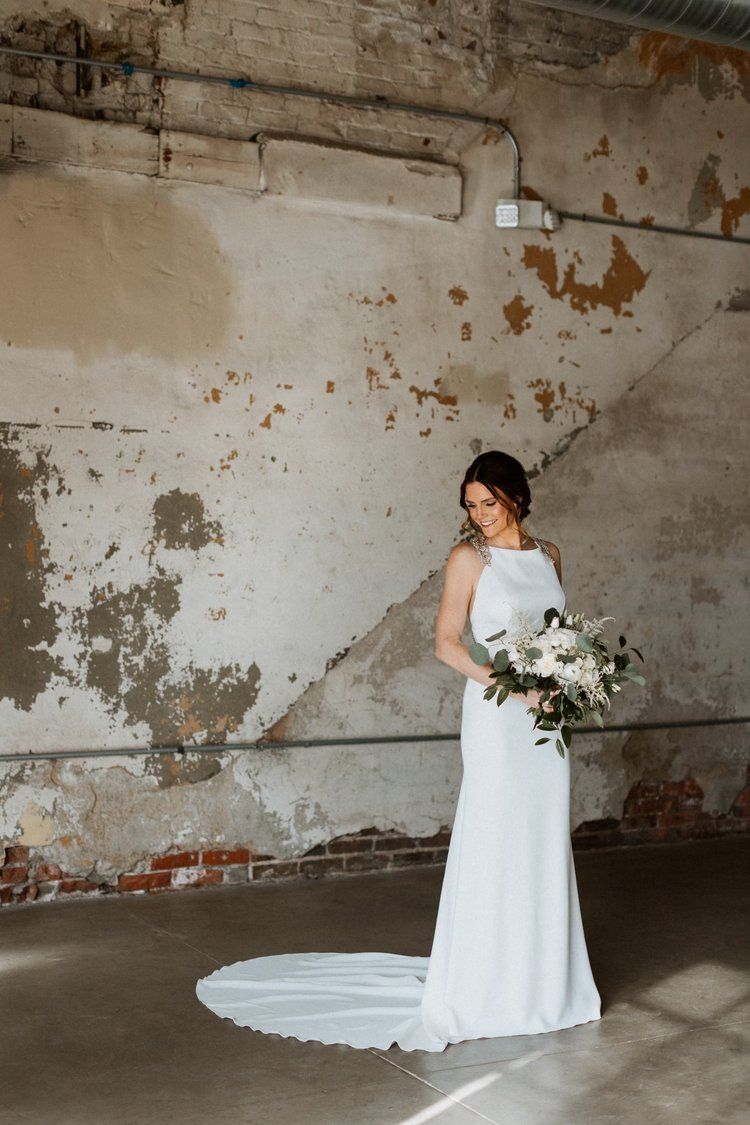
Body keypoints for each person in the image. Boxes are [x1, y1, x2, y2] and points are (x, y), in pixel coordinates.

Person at [195, 450, 602, 1051]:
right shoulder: (469, 558)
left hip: (547, 726)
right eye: (470, 504)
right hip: (499, 718)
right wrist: (518, 689)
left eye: (490, 502)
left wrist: (566, 679)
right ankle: (484, 988)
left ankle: (544, 984)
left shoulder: (550, 556)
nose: (480, 514)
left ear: (517, 496)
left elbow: (554, 638)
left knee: (542, 836)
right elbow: (447, 645)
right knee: (494, 834)